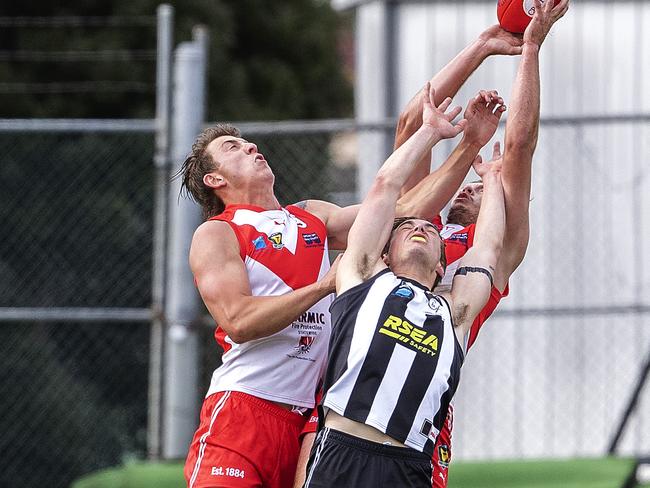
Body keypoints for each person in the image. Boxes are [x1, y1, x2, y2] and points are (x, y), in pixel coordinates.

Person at [179, 99, 486, 486]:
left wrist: (467, 144)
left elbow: (404, 208)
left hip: (312, 419)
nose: (251, 147)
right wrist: (323, 286)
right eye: (232, 148)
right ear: (215, 180)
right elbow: (238, 321)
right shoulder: (219, 232)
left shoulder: (311, 216)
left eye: (248, 143)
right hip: (246, 406)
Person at [391, 1, 569, 485]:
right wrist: (483, 46)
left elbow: (518, 145)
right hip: (358, 390)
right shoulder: (419, 224)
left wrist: (531, 48)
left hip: (421, 407)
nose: (471, 184)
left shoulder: (493, 248)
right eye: (469, 181)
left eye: (484, 184)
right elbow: (411, 124)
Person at [302, 83, 506, 487]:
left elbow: (487, 247)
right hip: (342, 451)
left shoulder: (454, 312)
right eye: (408, 225)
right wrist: (429, 132)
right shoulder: (361, 279)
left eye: (429, 229)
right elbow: (385, 189)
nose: (418, 227)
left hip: (409, 464)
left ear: (443, 266)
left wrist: (494, 178)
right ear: (385, 254)